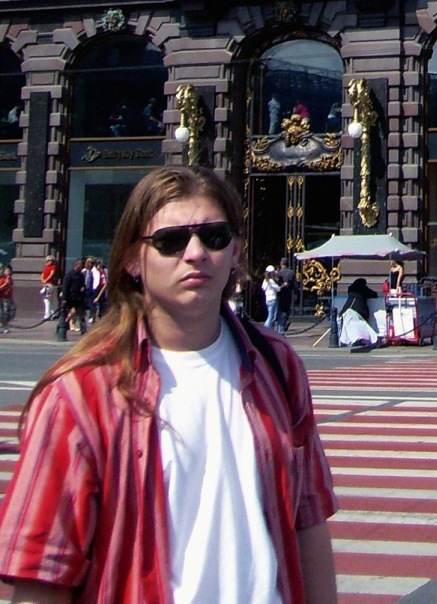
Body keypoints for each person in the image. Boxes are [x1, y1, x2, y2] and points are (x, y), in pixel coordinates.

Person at [0, 165, 338, 604]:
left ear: (236, 250)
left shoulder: (278, 365)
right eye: (170, 241)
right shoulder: (79, 393)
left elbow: (309, 521)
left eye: (214, 236)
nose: (195, 253)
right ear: (131, 259)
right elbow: (42, 572)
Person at [339, 277, 379, 347]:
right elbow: (374, 294)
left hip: (347, 309)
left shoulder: (351, 290)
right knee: (360, 326)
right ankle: (361, 339)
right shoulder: (363, 290)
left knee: (347, 326)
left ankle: (346, 340)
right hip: (359, 311)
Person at [61, 258, 86, 333]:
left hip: (79, 298)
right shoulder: (69, 275)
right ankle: (62, 326)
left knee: (81, 314)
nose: (82, 266)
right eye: (81, 264)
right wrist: (64, 298)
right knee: (66, 313)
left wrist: (83, 288)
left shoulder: (81, 275)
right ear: (77, 265)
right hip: (70, 298)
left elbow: (83, 284)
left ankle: (83, 329)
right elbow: (65, 287)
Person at [277, 257, 296, 335]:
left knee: (281, 311)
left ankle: (281, 325)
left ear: (281, 264)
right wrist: (295, 294)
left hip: (280, 294)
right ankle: (284, 323)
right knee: (286, 310)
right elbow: (295, 284)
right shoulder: (291, 273)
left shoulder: (279, 273)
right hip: (288, 293)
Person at [262, 264, 281, 329]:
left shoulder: (265, 281)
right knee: (271, 316)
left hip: (267, 299)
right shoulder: (271, 281)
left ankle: (270, 329)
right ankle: (265, 328)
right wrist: (282, 286)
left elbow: (263, 288)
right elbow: (278, 289)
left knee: (270, 315)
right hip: (273, 299)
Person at [40, 255, 57, 319]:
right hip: (45, 284)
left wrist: (46, 280)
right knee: (48, 299)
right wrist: (42, 280)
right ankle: (52, 313)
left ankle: (47, 314)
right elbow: (42, 275)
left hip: (49, 284)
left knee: (47, 299)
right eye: (48, 260)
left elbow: (51, 274)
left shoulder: (53, 267)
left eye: (50, 260)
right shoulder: (45, 267)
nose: (49, 261)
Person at [0, 264, 14, 333]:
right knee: (4, 313)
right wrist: (5, 284)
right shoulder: (2, 279)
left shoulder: (10, 279)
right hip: (3, 298)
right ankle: (4, 326)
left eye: (9, 271)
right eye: (7, 271)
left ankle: (4, 324)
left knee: (11, 312)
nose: (8, 272)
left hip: (9, 298)